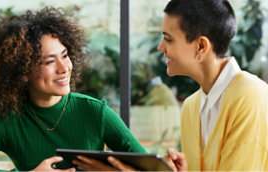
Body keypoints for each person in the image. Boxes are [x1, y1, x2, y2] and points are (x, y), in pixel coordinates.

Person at [0, 7, 147, 171]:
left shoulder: (95, 112)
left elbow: (152, 168)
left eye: (65, 55)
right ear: (22, 72)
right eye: (49, 61)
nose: (64, 68)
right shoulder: (7, 120)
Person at [75, 0, 268, 171]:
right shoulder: (191, 107)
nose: (160, 47)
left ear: (201, 46)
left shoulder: (251, 96)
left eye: (168, 39)